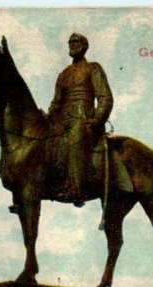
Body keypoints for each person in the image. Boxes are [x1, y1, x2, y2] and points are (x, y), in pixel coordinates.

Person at [48, 33, 113, 207]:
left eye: (75, 42)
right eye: (69, 42)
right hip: (63, 120)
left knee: (74, 139)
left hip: (84, 119)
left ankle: (77, 190)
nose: (71, 44)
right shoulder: (64, 74)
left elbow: (105, 97)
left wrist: (97, 119)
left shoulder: (93, 68)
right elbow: (56, 103)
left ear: (84, 46)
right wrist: (48, 118)